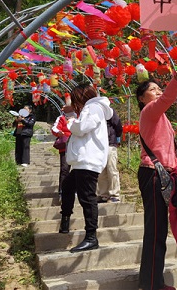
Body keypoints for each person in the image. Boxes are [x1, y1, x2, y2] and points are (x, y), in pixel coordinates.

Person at [135, 53, 177, 290]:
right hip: (153, 175)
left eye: (158, 87)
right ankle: (152, 284)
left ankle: (152, 280)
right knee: (155, 229)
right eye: (152, 89)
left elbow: (165, 147)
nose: (158, 90)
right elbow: (169, 97)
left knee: (160, 228)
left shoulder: (161, 118)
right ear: (142, 98)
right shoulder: (150, 111)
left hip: (164, 175)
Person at [59, 83, 113, 253]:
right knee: (67, 186)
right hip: (83, 160)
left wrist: (70, 121)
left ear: (81, 98)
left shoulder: (94, 108)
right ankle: (65, 220)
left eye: (76, 100)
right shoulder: (93, 109)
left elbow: (82, 128)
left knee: (87, 197)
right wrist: (73, 115)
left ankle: (91, 237)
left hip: (88, 160)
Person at [97, 107, 123, 203]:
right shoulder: (93, 113)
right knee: (101, 171)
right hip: (99, 146)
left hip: (110, 144)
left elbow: (118, 126)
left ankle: (114, 194)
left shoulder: (110, 111)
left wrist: (117, 139)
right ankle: (103, 194)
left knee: (112, 169)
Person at [51, 105, 75, 201]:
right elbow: (54, 128)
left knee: (78, 169)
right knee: (65, 169)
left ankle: (75, 189)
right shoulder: (61, 118)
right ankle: (62, 191)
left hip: (77, 146)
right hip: (65, 146)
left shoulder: (79, 116)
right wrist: (59, 132)